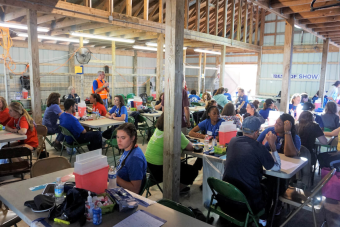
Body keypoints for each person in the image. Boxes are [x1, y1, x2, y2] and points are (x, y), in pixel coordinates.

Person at [220, 116, 281, 226]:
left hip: (226, 194)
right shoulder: (258, 148)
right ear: (257, 132)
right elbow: (277, 167)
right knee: (270, 185)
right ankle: (263, 220)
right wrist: (273, 146)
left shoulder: (232, 141)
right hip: (247, 200)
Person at [145, 113, 202, 193]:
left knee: (179, 163)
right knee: (193, 171)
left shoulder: (157, 130)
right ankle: (178, 189)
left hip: (148, 169)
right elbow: (190, 147)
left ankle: (178, 185)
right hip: (161, 172)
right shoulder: (175, 133)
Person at [116, 123, 147, 194]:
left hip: (125, 195)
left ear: (132, 138)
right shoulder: (128, 149)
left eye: (123, 138)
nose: (119, 141)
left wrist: (113, 177)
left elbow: (135, 190)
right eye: (117, 137)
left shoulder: (134, 158)